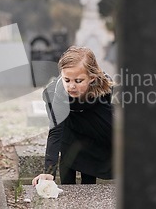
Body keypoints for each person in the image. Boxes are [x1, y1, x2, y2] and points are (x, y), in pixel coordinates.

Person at [32, 46, 114, 186]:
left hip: (90, 111)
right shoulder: (60, 91)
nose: (71, 86)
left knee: (91, 148)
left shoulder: (103, 86)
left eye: (78, 81)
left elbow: (105, 122)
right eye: (67, 80)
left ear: (92, 78)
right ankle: (67, 190)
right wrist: (49, 171)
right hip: (65, 113)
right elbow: (55, 132)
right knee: (67, 149)